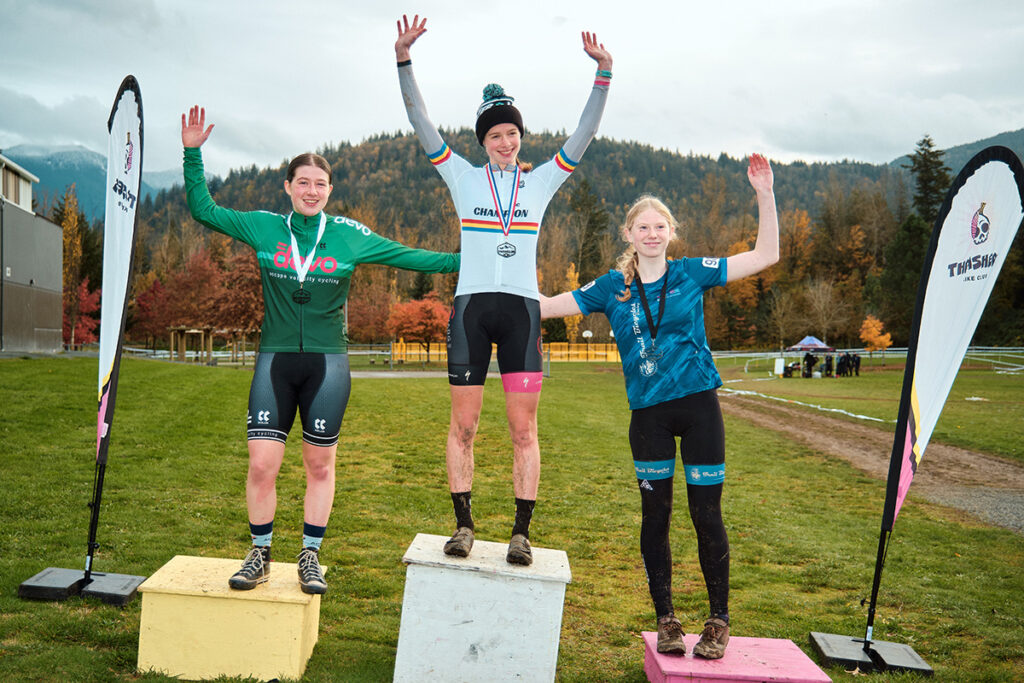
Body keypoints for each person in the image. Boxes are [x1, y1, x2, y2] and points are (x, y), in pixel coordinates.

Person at [180, 106, 460, 594]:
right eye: (303, 182)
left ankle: (309, 556)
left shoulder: (350, 236)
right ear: (288, 187)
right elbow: (204, 209)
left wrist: (482, 252)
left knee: (319, 464)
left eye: (320, 184)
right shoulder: (265, 228)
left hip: (328, 366)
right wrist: (192, 153)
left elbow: (417, 257)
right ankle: (260, 554)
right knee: (262, 464)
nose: (311, 191)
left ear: (330, 191)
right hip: (276, 361)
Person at [393, 14, 612, 565]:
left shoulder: (541, 181)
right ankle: (463, 525)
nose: (506, 142)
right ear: (483, 141)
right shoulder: (462, 176)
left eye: (513, 133)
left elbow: (583, 136)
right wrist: (403, 61)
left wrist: (603, 75)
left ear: (521, 137)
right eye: (496, 135)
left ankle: (521, 531)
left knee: (523, 429)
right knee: (463, 425)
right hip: (471, 312)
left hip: (521, 313)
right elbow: (421, 123)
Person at [539, 154, 778, 659]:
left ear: (671, 232)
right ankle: (666, 620)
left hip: (699, 409)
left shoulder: (693, 274)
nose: (651, 234)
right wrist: (495, 284)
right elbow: (547, 305)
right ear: (628, 234)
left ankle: (718, 621)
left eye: (659, 226)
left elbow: (764, 256)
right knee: (656, 516)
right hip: (647, 415)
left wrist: (764, 193)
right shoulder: (612, 286)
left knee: (706, 513)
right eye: (642, 227)